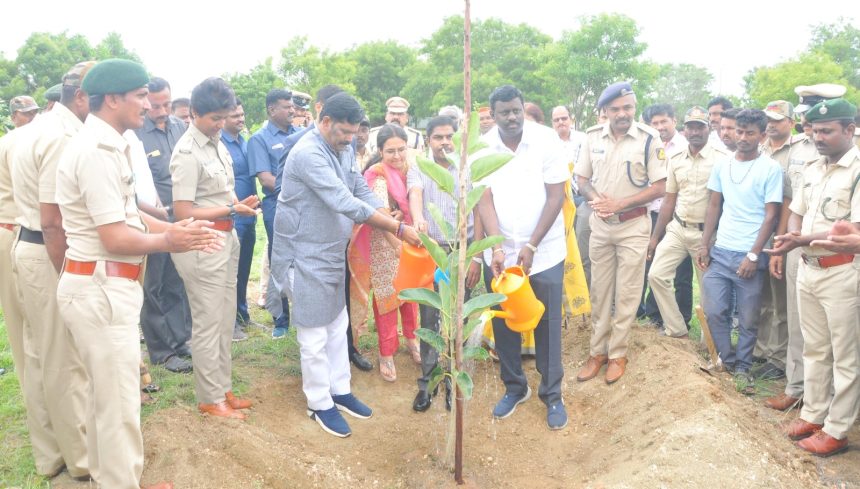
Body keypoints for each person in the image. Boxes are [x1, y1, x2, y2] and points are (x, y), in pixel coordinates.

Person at [56, 57, 218, 489]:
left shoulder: (110, 143)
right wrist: (171, 241)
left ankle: (112, 477)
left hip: (103, 286)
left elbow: (132, 218)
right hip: (99, 286)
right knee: (118, 403)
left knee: (106, 397)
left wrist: (174, 228)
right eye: (140, 96)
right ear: (112, 99)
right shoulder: (96, 151)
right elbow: (115, 236)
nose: (148, 106)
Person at [271, 92, 420, 437]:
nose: (349, 139)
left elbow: (358, 188)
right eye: (343, 132)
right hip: (303, 253)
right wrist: (396, 226)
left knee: (338, 326)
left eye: (354, 133)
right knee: (313, 333)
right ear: (324, 122)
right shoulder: (308, 153)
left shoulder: (343, 148)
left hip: (332, 249)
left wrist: (384, 215)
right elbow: (343, 201)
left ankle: (340, 390)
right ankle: (319, 402)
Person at [11, 62, 94, 481]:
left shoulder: (33, 129)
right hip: (49, 253)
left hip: (28, 248)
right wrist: (69, 280)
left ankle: (50, 455)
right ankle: (81, 459)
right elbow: (54, 221)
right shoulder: (63, 137)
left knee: (39, 358)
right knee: (65, 361)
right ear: (81, 97)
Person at [766, 98, 860, 457]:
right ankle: (814, 414)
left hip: (841, 270)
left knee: (845, 355)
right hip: (808, 268)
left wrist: (800, 239)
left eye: (827, 130)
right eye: (815, 130)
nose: (819, 137)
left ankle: (837, 429)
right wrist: (792, 236)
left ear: (848, 130)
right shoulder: (813, 166)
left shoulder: (856, 171)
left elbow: (852, 232)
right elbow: (797, 210)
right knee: (815, 348)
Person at [475, 84, 568, 429]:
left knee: (546, 322)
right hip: (500, 254)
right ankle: (515, 388)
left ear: (521, 108)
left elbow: (556, 196)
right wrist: (497, 246)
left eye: (516, 110)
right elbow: (483, 198)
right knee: (504, 320)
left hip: (544, 252)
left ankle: (552, 395)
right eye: (504, 112)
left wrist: (530, 246)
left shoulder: (546, 140)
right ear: (493, 114)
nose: (512, 117)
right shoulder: (482, 148)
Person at [170, 77, 259, 420]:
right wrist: (230, 210)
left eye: (224, 117)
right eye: (213, 118)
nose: (220, 124)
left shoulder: (217, 142)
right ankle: (210, 398)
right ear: (193, 113)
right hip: (201, 243)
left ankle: (222, 389)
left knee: (224, 319)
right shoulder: (188, 152)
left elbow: (222, 191)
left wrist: (237, 204)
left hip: (226, 237)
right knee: (208, 323)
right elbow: (182, 212)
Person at [575, 81, 667, 385]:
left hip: (633, 226)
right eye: (615, 109)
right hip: (601, 225)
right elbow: (582, 178)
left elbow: (660, 186)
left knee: (627, 293)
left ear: (634, 107)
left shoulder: (648, 139)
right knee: (600, 291)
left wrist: (620, 203)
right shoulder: (591, 137)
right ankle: (596, 352)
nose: (622, 113)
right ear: (605, 111)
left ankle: (617, 354)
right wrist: (595, 199)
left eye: (627, 107)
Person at [696, 109, 782, 385]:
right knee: (714, 310)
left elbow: (771, 215)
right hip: (721, 251)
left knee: (748, 317)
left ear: (762, 135)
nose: (742, 138)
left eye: (750, 133)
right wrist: (705, 244)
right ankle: (727, 360)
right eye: (739, 132)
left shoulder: (770, 169)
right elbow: (714, 205)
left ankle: (743, 368)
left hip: (750, 255)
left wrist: (754, 254)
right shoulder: (722, 165)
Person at [407, 115, 481, 411]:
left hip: (462, 252)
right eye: (438, 137)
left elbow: (479, 208)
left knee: (459, 319)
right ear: (428, 141)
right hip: (434, 251)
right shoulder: (420, 168)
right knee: (430, 317)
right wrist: (418, 218)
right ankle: (428, 382)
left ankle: (453, 382)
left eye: (449, 136)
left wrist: (475, 255)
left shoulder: (467, 170)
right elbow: (415, 195)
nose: (444, 142)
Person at [0, 92, 56, 478]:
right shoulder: (21, 142)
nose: (32, 117)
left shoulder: (22, 140)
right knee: (31, 343)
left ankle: (51, 448)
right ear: (15, 116)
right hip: (19, 234)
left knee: (35, 344)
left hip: (22, 235)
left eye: (36, 111)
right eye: (27, 113)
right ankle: (53, 448)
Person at [647, 106, 730, 338]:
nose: (694, 132)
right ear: (684, 129)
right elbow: (668, 201)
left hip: (707, 235)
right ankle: (677, 329)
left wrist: (707, 242)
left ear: (708, 128)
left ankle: (710, 347)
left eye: (699, 127)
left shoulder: (721, 160)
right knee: (656, 275)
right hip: (677, 228)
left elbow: (722, 203)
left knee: (708, 293)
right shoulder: (675, 159)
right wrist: (655, 238)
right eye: (690, 127)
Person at [349, 124, 421, 382]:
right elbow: (377, 213)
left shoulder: (411, 170)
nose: (397, 156)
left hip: (409, 239)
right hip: (384, 243)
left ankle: (413, 339)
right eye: (390, 151)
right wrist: (395, 243)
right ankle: (387, 352)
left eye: (401, 149)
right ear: (380, 151)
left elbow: (406, 204)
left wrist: (401, 216)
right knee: (388, 298)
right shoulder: (376, 174)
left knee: (411, 294)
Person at [755, 100, 820, 382]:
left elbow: (790, 200)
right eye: (768, 119)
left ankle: (778, 358)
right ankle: (762, 349)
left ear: (791, 123)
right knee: (763, 296)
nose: (771, 124)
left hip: (788, 233)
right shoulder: (758, 149)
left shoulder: (802, 150)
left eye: (778, 119)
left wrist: (781, 239)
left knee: (783, 299)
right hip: (758, 231)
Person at [134, 76, 194, 373]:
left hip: (181, 219)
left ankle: (180, 340)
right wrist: (157, 214)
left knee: (176, 280)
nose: (161, 110)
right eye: (155, 105)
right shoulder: (135, 133)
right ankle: (162, 351)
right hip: (152, 220)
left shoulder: (179, 128)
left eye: (166, 104)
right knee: (153, 285)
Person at [639, 103, 692, 328]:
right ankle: (653, 314)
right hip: (652, 214)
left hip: (679, 217)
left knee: (681, 274)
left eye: (664, 122)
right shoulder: (647, 145)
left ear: (674, 121)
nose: (660, 127)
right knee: (651, 267)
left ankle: (681, 319)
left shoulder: (686, 146)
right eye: (655, 123)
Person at [248, 88, 295, 338]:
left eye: (292, 106)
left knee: (302, 262)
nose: (292, 110)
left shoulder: (301, 135)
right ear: (271, 110)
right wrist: (300, 186)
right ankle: (280, 319)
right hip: (277, 207)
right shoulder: (260, 139)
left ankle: (302, 314)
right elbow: (266, 179)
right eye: (286, 106)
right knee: (280, 262)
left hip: (304, 208)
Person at [221, 99, 257, 341]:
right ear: (223, 118)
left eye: (242, 114)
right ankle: (230, 322)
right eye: (235, 115)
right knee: (229, 272)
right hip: (231, 216)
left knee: (244, 268)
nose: (241, 119)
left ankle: (243, 315)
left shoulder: (244, 142)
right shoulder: (220, 145)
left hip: (249, 215)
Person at [552, 105, 590, 286]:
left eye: (564, 118)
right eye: (557, 120)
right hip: (558, 202)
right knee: (562, 247)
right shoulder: (548, 142)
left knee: (582, 247)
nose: (561, 122)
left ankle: (585, 290)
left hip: (582, 198)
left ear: (571, 120)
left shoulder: (584, 139)